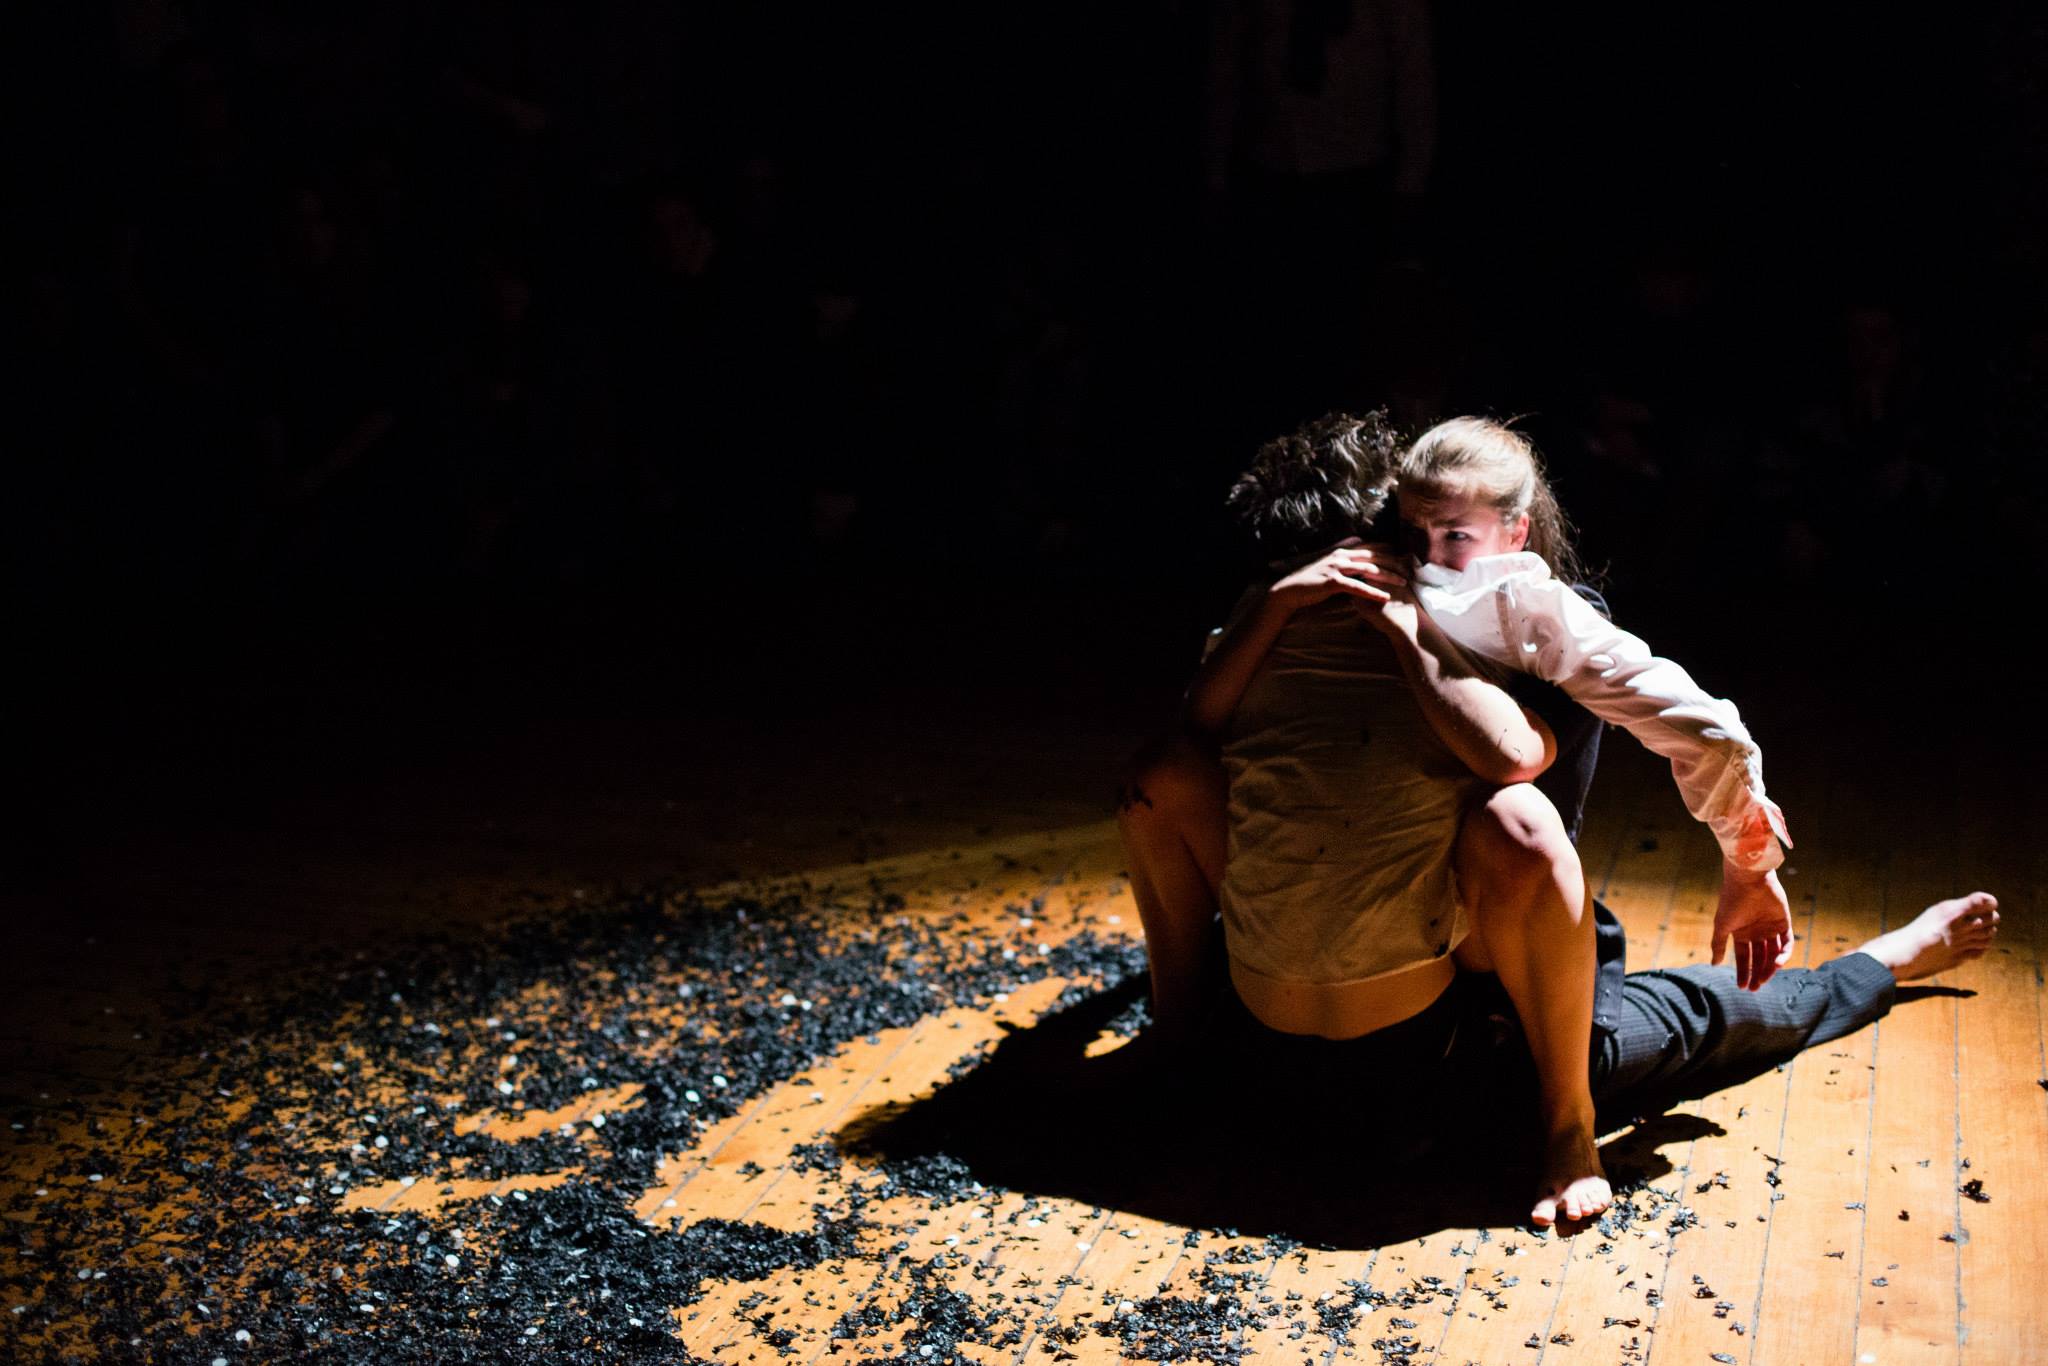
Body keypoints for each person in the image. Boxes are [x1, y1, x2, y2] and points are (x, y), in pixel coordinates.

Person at [1116, 411, 1999, 1226]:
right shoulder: (1293, 613)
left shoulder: (1522, 618)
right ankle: (1185, 1055)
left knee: (1673, 1006)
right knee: (1167, 776)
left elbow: (1628, 739)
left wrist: (1750, 864)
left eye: (1448, 537)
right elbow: (1198, 732)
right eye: (1412, 534)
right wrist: (1281, 606)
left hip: (1496, 937)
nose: (1424, 556)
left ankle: (1873, 965)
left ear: (1508, 535)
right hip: (1346, 972)